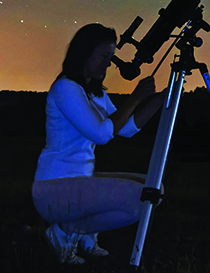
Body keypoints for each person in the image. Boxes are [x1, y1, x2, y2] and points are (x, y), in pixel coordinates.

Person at [32, 23, 165, 265]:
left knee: (155, 187)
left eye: (111, 57)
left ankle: (83, 235)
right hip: (54, 188)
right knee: (140, 199)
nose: (109, 63)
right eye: (104, 56)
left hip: (81, 179)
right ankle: (64, 232)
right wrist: (136, 97)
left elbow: (126, 129)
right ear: (85, 53)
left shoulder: (95, 93)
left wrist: (161, 98)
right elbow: (101, 134)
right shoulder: (65, 88)